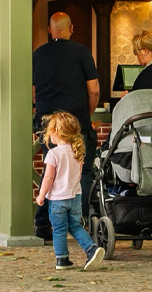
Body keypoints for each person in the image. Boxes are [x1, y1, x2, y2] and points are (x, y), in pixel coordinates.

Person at [32, 12, 99, 238]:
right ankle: (80, 221)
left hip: (48, 124)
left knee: (50, 169)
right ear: (71, 28)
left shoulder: (38, 54)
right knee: (84, 170)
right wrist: (85, 115)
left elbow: (32, 91)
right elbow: (94, 90)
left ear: (49, 30)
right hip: (77, 120)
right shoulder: (81, 52)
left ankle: (43, 223)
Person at [35, 111, 105, 272]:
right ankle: (91, 249)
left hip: (57, 199)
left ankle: (62, 259)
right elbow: (78, 175)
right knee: (75, 226)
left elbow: (48, 178)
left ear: (56, 132)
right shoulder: (77, 152)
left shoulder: (53, 154)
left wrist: (41, 195)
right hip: (75, 197)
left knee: (59, 229)